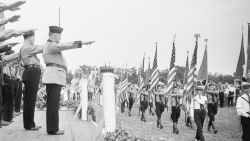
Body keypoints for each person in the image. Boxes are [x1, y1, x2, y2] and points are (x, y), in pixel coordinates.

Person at [42, 26, 93, 135]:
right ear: (55, 35)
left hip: (54, 77)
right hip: (53, 77)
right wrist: (81, 43)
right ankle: (52, 129)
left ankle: (52, 128)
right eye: (60, 36)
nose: (60, 38)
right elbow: (64, 45)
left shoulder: (50, 45)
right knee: (53, 104)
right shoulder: (51, 45)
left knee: (53, 104)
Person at [20, 30, 42, 130]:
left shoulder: (26, 48)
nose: (34, 39)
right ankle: (29, 125)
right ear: (29, 37)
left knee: (30, 100)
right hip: (31, 72)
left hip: (31, 72)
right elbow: (42, 48)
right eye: (33, 37)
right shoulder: (27, 47)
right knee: (30, 100)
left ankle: (30, 124)